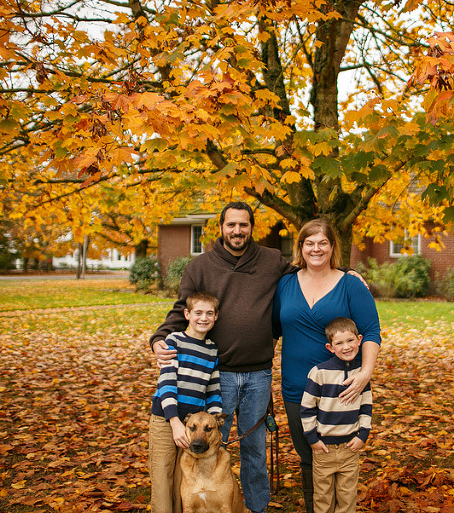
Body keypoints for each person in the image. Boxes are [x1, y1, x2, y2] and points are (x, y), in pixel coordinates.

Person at [150, 202, 296, 513]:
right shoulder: (200, 266)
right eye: (231, 225)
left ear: (251, 227)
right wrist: (159, 338)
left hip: (259, 373)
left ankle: (256, 508)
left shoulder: (272, 260)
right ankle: (202, 501)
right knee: (210, 446)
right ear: (221, 227)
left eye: (243, 225)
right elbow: (182, 309)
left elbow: (307, 276)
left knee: (254, 448)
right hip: (219, 375)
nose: (237, 231)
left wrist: (347, 273)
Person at [272, 219, 381, 513]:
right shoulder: (285, 284)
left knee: (341, 457)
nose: (316, 249)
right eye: (309, 243)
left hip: (342, 388)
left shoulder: (350, 285)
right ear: (300, 247)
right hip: (297, 387)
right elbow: (272, 331)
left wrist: (365, 374)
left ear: (333, 247)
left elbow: (371, 331)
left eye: (323, 243)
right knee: (310, 455)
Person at [149, 291, 223, 513]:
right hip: (166, 419)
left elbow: (213, 389)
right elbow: (167, 382)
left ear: (216, 316)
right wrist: (173, 421)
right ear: (187, 314)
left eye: (209, 313)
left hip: (193, 426)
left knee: (185, 478)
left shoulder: (211, 350)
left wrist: (216, 421)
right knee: (163, 475)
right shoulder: (174, 341)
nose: (203, 318)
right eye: (198, 313)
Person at [301, 317, 372, 513]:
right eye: (339, 343)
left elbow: (366, 407)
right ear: (330, 347)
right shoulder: (319, 372)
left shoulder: (361, 373)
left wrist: (362, 435)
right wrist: (312, 439)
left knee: (347, 496)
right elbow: (307, 409)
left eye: (350, 341)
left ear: (359, 340)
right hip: (324, 449)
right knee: (323, 497)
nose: (346, 347)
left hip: (350, 447)